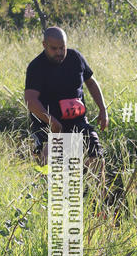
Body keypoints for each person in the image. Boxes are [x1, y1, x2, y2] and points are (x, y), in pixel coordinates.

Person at [24, 27, 108, 172]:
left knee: (96, 157)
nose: (59, 52)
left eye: (62, 48)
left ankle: (95, 193)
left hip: (77, 121)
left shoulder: (75, 58)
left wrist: (103, 109)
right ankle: (42, 189)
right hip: (49, 125)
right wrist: (52, 122)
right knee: (50, 169)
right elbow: (30, 101)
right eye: (54, 48)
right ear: (44, 45)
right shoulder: (36, 67)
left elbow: (91, 82)